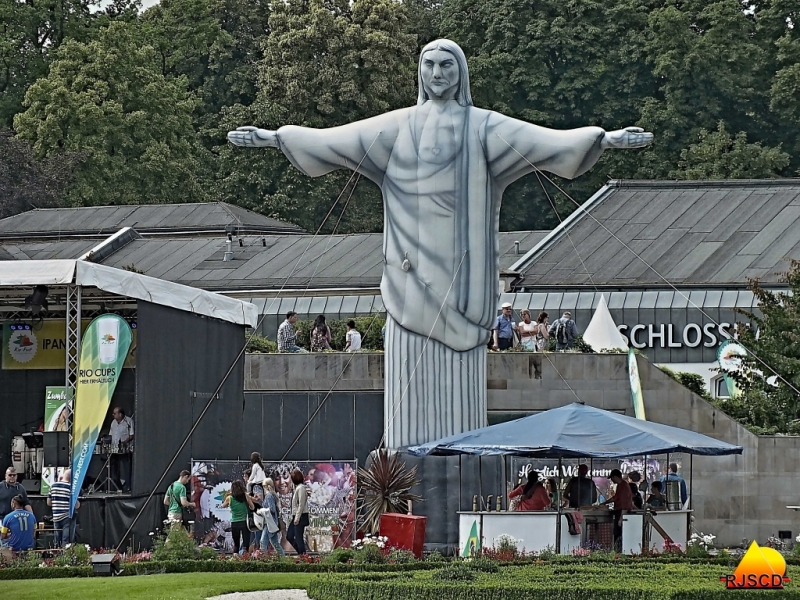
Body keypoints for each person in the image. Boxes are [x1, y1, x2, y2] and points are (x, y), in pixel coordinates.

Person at [228, 39, 652, 449]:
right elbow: (333, 139)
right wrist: (274, 137)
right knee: (407, 390)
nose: (436, 73)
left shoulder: (483, 127)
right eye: (429, 64)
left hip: (463, 285)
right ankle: (405, 453)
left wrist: (605, 138)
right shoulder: (395, 128)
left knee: (461, 392)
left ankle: (461, 451)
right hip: (409, 283)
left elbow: (546, 142)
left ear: (461, 72)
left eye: (446, 65)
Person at [600, 469, 633, 551]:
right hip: (620, 512)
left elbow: (624, 504)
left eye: (612, 478)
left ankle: (619, 551)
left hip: (622, 512)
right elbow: (615, 498)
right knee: (617, 533)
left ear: (615, 477)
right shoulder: (620, 485)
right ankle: (617, 550)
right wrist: (604, 503)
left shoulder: (623, 486)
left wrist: (621, 518)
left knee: (619, 534)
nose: (611, 480)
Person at [222, 479, 255, 555]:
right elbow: (252, 507)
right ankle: (245, 558)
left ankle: (235, 559)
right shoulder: (245, 496)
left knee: (236, 544)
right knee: (246, 543)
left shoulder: (229, 498)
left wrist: (227, 496)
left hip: (234, 523)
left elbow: (223, 506)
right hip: (245, 522)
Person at [48, 469, 78, 547]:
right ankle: (65, 556)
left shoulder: (53, 486)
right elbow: (77, 505)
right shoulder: (70, 488)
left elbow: (48, 502)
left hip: (56, 516)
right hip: (66, 517)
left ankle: (56, 555)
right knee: (66, 540)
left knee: (57, 539)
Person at [109, 407, 134, 492]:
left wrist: (124, 442)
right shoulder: (113, 422)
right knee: (114, 468)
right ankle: (116, 486)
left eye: (114, 413)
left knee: (125, 468)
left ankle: (127, 486)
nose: (113, 415)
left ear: (120, 414)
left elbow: (132, 435)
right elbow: (111, 435)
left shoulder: (129, 421)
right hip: (114, 449)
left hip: (125, 449)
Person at [258, 478, 285, 555]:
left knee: (263, 542)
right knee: (275, 543)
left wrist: (262, 511)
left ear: (265, 486)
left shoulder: (269, 495)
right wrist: (259, 501)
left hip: (269, 522)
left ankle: (263, 559)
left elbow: (272, 509)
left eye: (263, 486)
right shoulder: (271, 495)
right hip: (272, 522)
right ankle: (283, 558)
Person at [287, 469, 309, 554]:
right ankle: (301, 553)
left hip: (301, 516)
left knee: (299, 538)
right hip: (297, 516)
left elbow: (301, 504)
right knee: (289, 536)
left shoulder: (301, 488)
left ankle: (303, 556)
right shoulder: (298, 488)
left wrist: (297, 518)